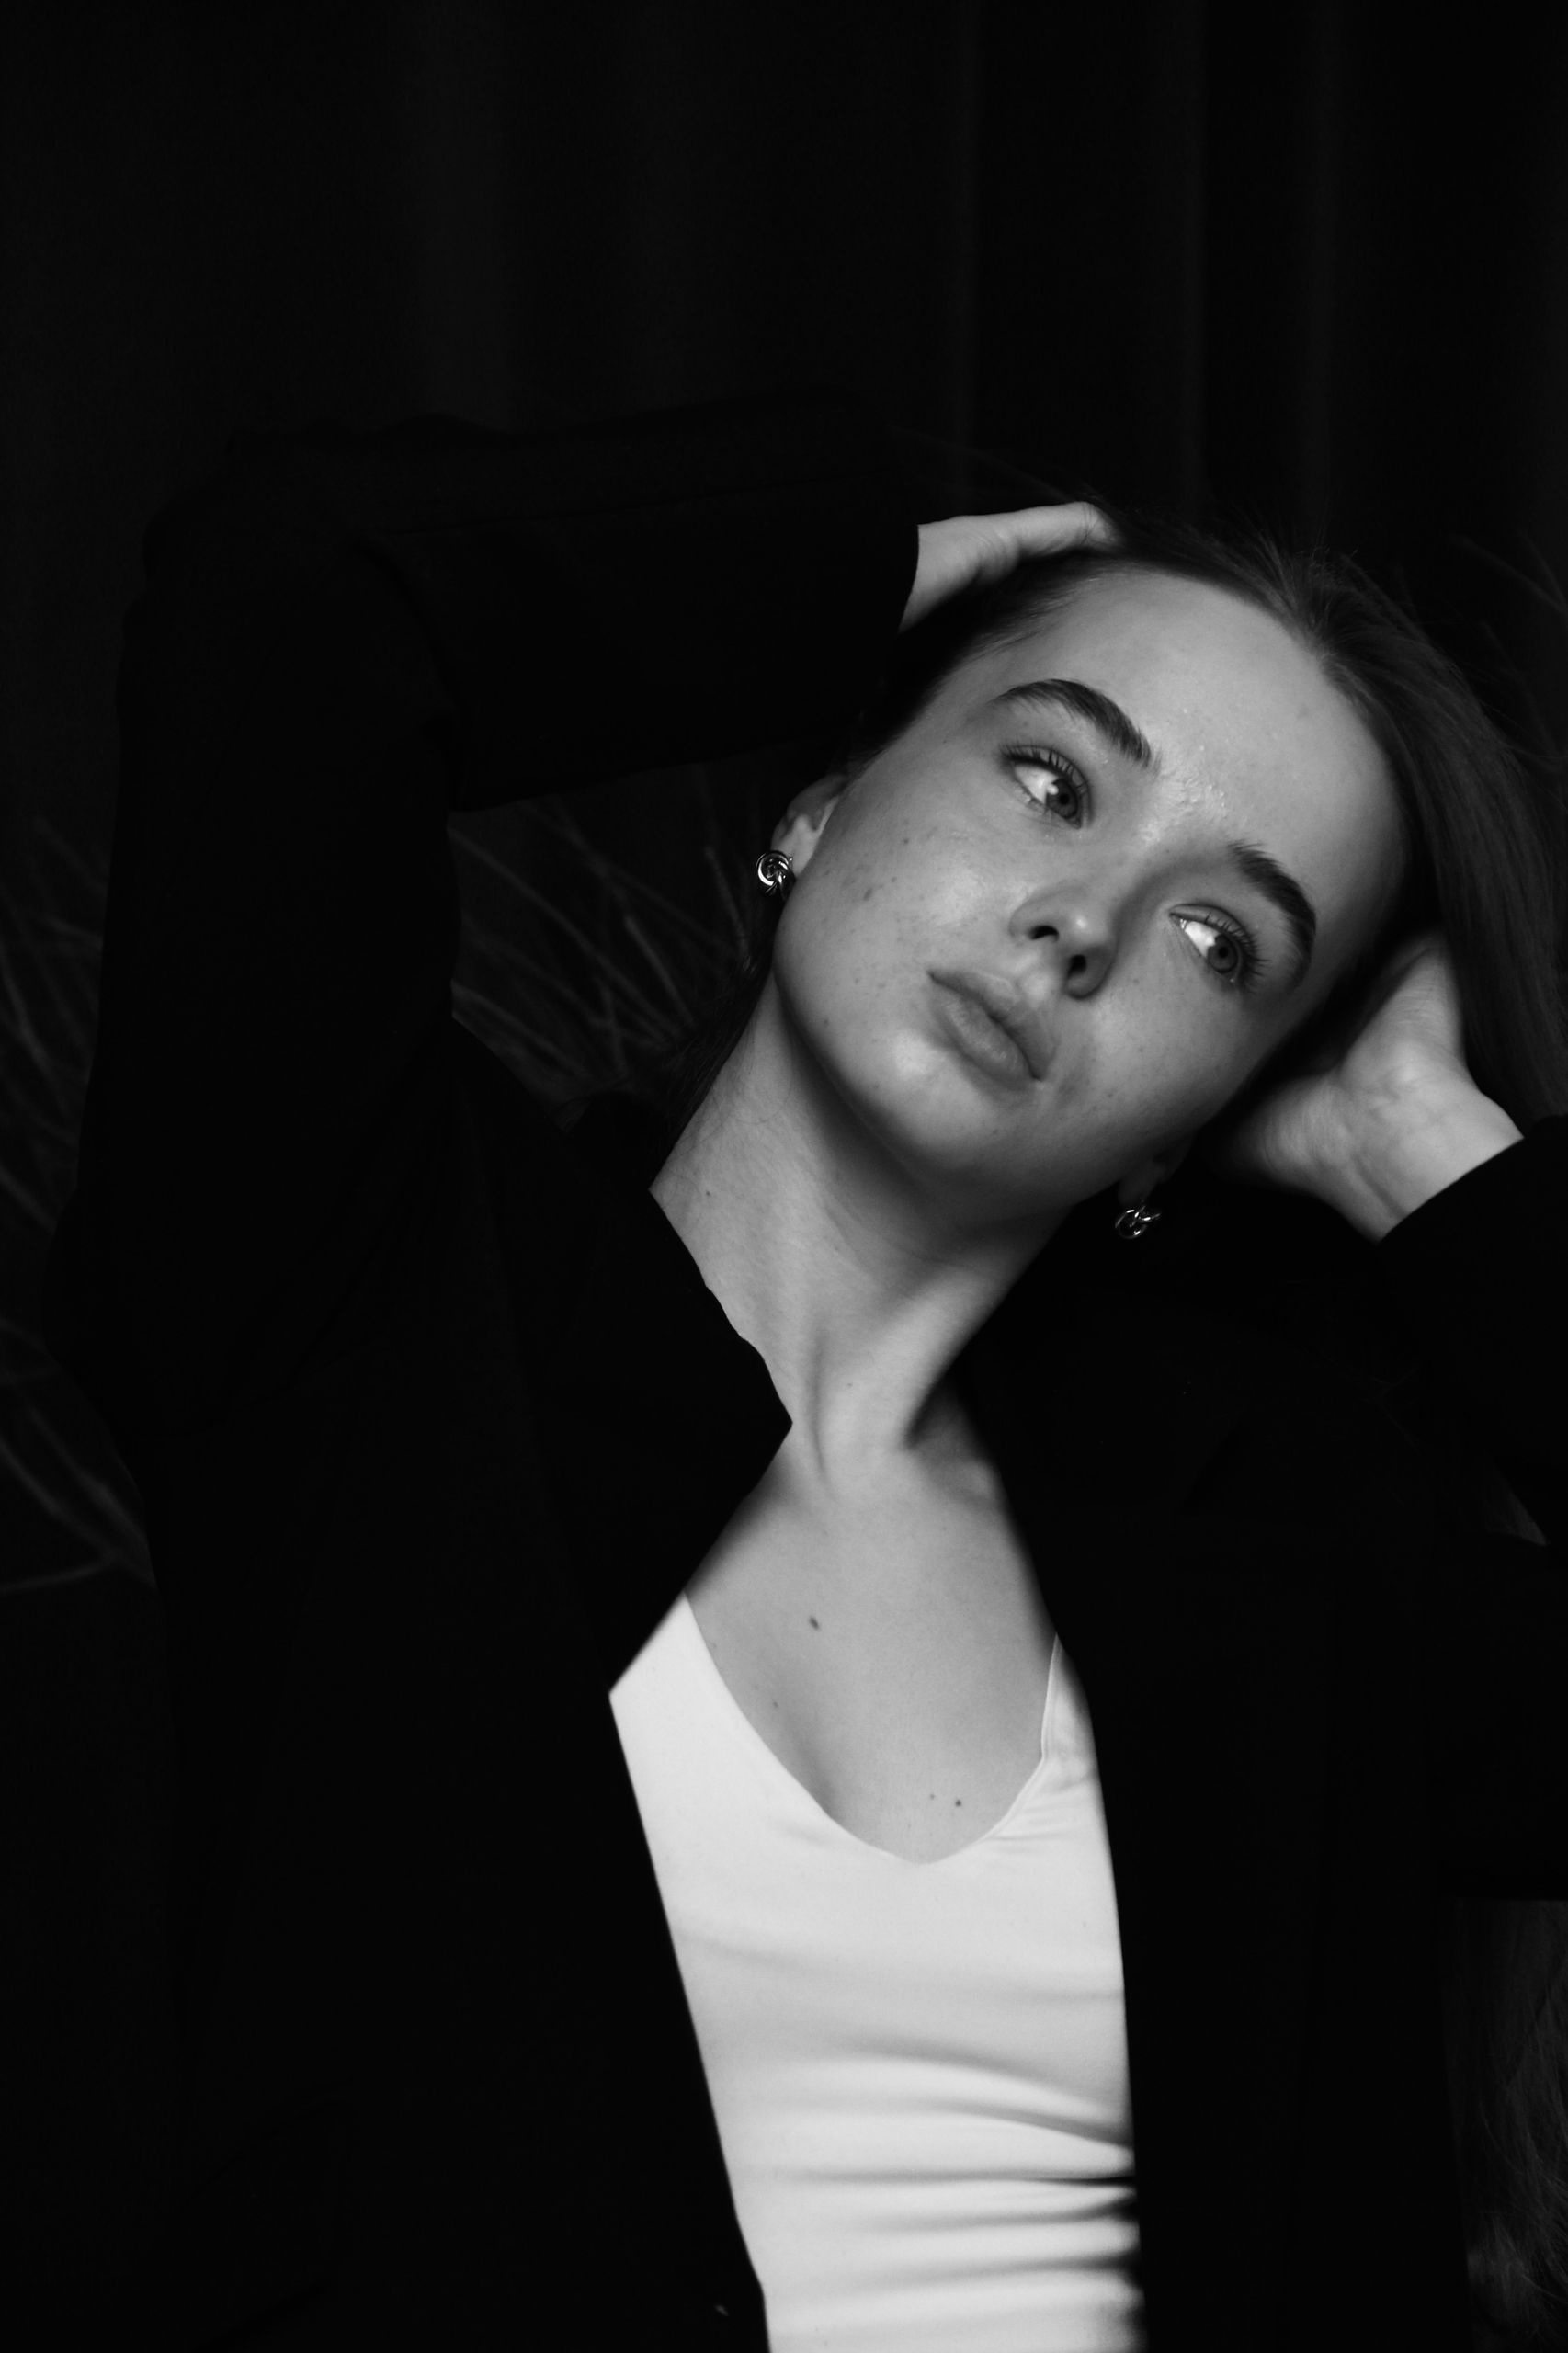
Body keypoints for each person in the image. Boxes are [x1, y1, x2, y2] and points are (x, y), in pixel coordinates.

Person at [42, 389, 1568, 2351]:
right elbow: (291, 594)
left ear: (1200, 1119)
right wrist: (883, 567)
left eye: (1219, 937)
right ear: (818, 805)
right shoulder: (375, 1300)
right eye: (1048, 777)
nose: (1083, 925)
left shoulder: (1269, 1554)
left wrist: (1419, 1151)